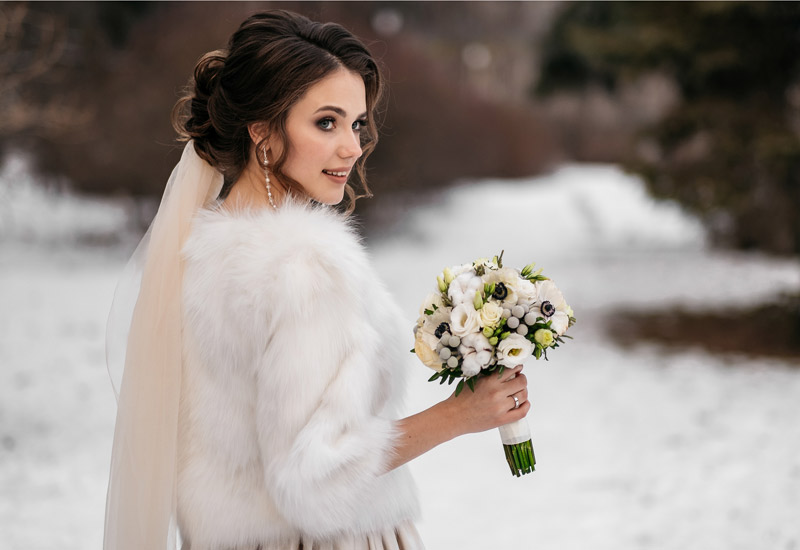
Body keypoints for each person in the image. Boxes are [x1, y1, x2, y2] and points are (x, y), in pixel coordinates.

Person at [103, 10, 530, 550]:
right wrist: (460, 414)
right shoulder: (302, 265)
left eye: (355, 123)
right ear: (262, 130)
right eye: (326, 122)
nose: (352, 146)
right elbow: (315, 480)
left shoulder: (202, 249)